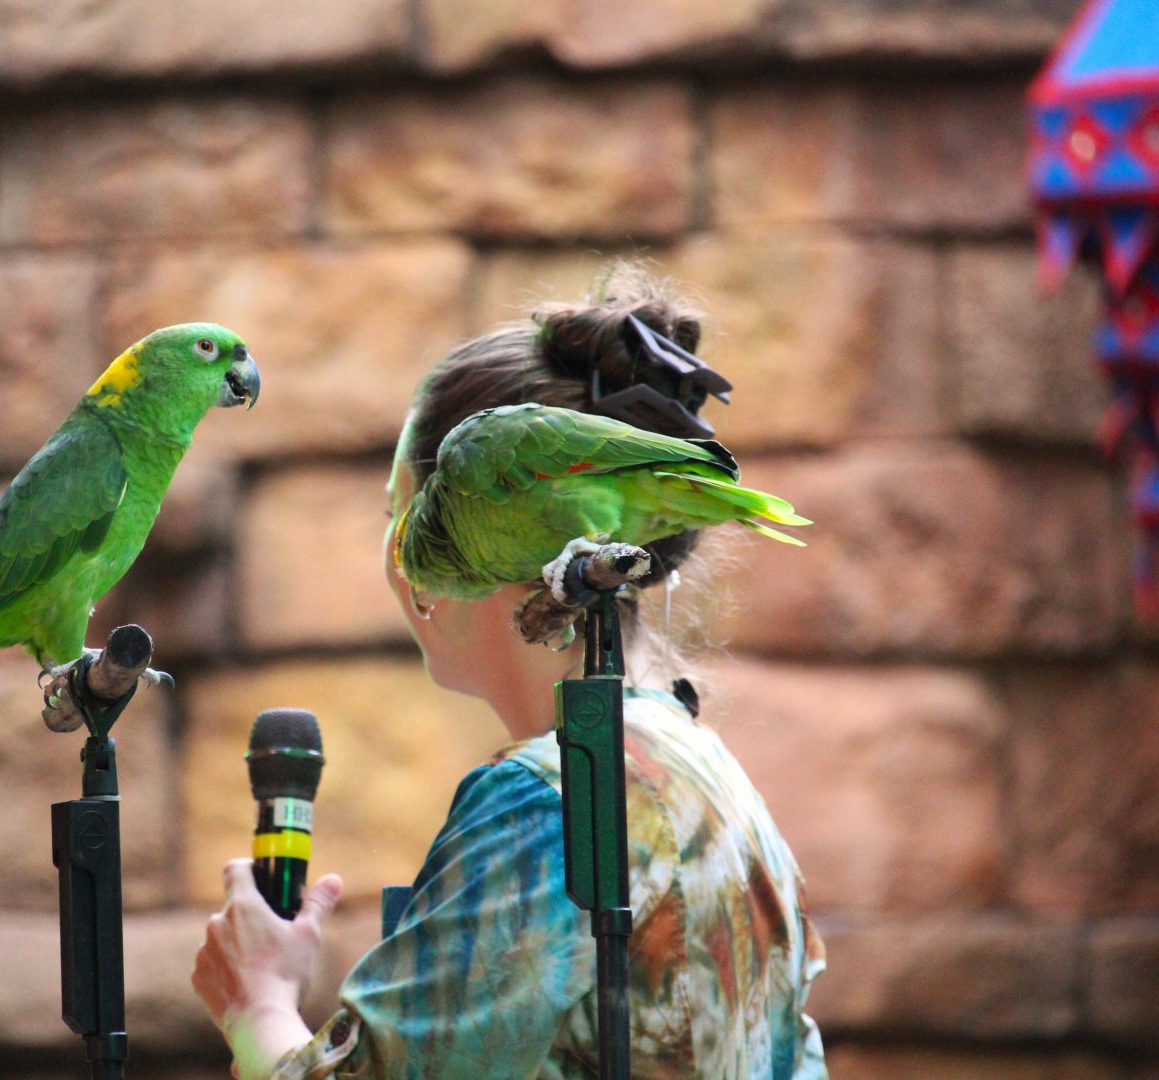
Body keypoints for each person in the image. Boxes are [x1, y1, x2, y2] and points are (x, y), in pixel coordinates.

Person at [192, 267, 827, 1080]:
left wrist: (258, 1006)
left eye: (398, 513)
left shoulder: (545, 799)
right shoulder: (701, 767)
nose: (396, 559)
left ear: (486, 505)